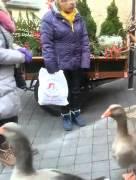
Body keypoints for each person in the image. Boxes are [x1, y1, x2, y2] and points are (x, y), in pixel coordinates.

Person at [40, 0, 90, 131]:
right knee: (63, 93)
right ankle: (66, 116)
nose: (71, 3)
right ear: (58, 2)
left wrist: (85, 61)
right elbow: (47, 44)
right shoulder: (49, 18)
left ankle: (76, 113)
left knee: (76, 91)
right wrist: (51, 66)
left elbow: (85, 40)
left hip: (77, 62)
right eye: (65, 0)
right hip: (60, 64)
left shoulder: (78, 17)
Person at [0, 0, 32, 166]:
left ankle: (15, 148)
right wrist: (20, 56)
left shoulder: (2, 17)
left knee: (10, 116)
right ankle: (5, 152)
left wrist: (19, 49)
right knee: (4, 118)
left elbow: (7, 44)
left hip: (6, 78)